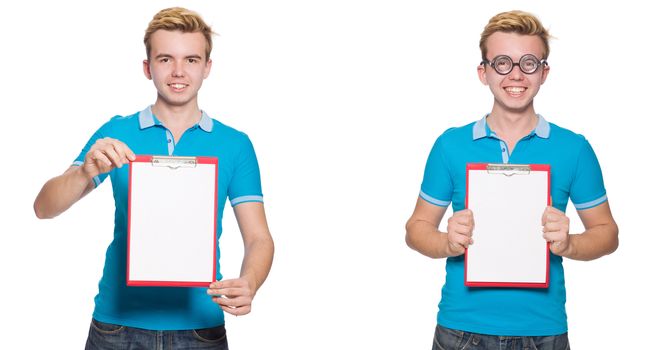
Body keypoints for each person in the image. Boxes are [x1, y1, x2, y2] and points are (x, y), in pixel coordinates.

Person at [33, 7, 274, 349]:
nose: (178, 71)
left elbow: (259, 238)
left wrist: (249, 281)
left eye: (191, 60)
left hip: (200, 328)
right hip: (116, 328)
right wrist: (84, 171)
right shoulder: (116, 132)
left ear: (207, 67)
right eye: (165, 59)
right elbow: (44, 208)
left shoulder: (235, 144)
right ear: (148, 67)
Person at [405, 10, 618, 350]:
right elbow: (416, 228)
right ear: (483, 72)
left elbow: (607, 234)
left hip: (542, 332)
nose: (515, 75)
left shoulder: (574, 149)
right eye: (502, 62)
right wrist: (446, 241)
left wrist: (570, 243)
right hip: (462, 330)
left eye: (529, 63)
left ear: (544, 72)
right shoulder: (450, 145)